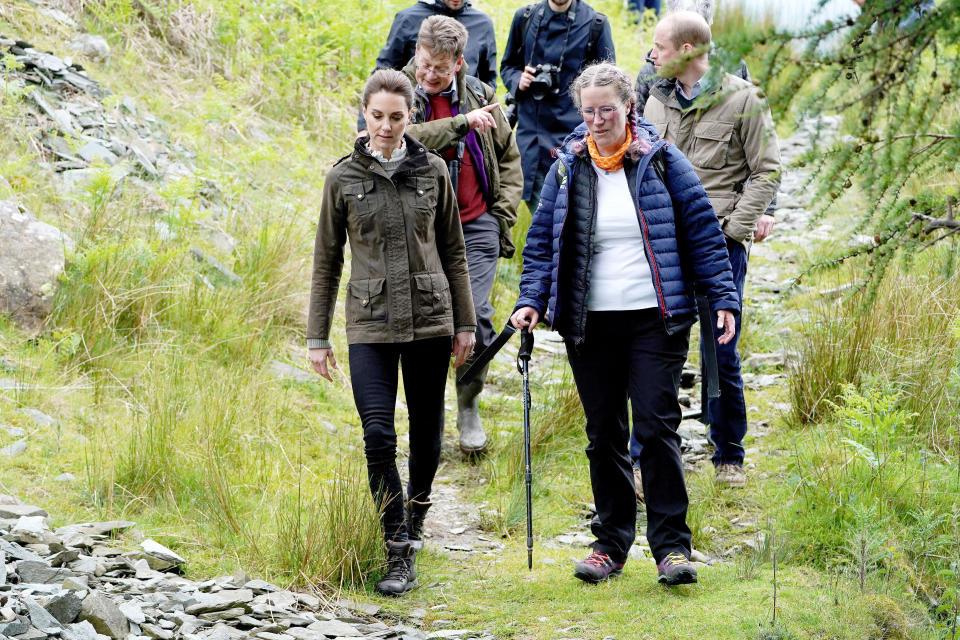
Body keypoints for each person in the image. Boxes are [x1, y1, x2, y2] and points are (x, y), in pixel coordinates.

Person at [510, 63, 739, 586]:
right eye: (588, 111)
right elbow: (542, 243)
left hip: (655, 319)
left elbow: (703, 230)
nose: (596, 120)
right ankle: (610, 544)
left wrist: (724, 298)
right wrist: (531, 300)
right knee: (603, 432)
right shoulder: (567, 166)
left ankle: (672, 548)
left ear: (629, 107)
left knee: (656, 428)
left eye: (606, 109)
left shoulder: (662, 160)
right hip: (589, 323)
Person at [307, 69, 476, 596]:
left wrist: (465, 322)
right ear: (364, 114)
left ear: (412, 117)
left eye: (396, 117)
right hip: (370, 324)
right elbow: (326, 261)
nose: (385, 126)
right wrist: (318, 336)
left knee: (427, 434)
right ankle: (396, 546)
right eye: (376, 116)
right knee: (378, 434)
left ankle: (419, 508)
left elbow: (453, 250)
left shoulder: (432, 171)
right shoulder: (342, 178)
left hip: (429, 318)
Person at [642, 11, 781, 488]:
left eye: (658, 45)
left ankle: (729, 455)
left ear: (685, 51)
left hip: (719, 244)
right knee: (656, 351)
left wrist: (734, 232)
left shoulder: (744, 100)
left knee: (719, 350)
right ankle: (647, 458)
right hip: (664, 243)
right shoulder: (655, 100)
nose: (651, 53)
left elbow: (767, 172)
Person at [401, 16, 523, 455]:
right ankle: (428, 415)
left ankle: (469, 402)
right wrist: (461, 124)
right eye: (424, 63)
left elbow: (509, 157)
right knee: (430, 322)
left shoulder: (481, 96)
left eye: (440, 67)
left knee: (477, 316)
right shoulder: (399, 94)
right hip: (419, 230)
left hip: (476, 225)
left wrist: (501, 213)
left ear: (459, 64)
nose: (429, 74)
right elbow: (400, 139)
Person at [500, 0, 615, 211]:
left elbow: (609, 82)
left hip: (575, 137)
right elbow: (508, 65)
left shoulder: (595, 24)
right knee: (542, 216)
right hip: (532, 138)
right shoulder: (525, 18)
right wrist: (519, 79)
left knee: (572, 215)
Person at [359, 0, 498, 132]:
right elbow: (383, 72)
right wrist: (364, 127)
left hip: (466, 121)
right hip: (415, 120)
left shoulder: (483, 24)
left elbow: (488, 79)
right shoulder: (408, 19)